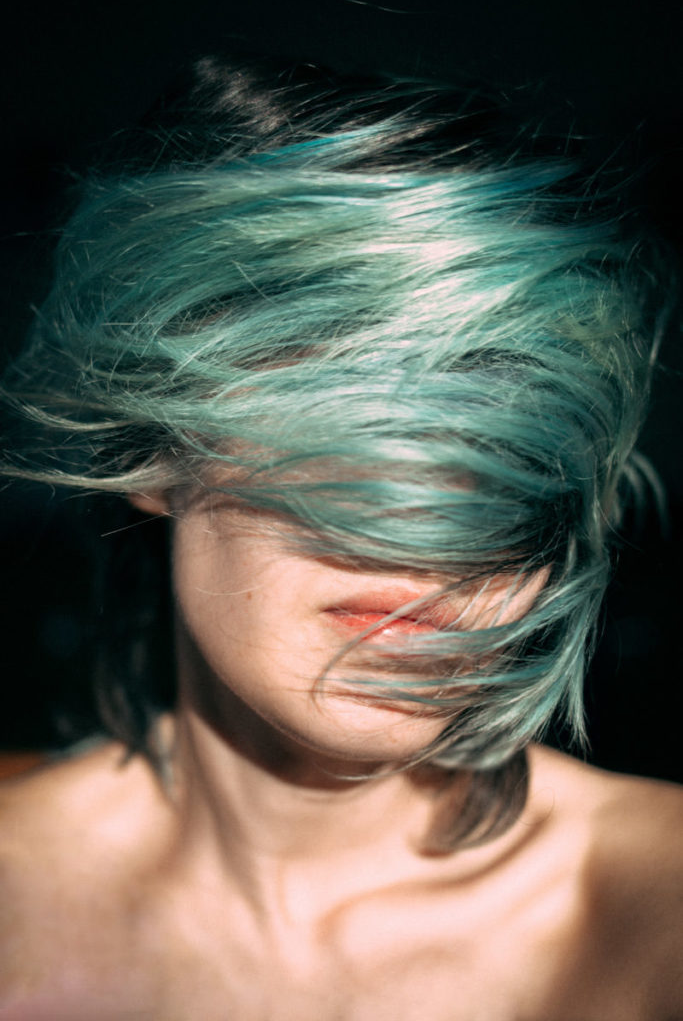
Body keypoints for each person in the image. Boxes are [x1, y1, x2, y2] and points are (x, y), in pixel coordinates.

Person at [0, 56, 681, 1020]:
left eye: (512, 436)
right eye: (341, 397)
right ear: (152, 443)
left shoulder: (647, 913)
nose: (432, 527)